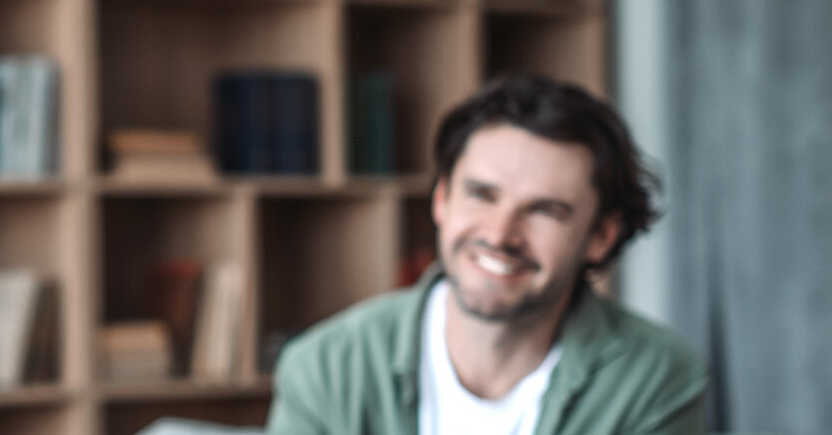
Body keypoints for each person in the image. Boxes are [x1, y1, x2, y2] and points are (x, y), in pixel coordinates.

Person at [267, 74, 707, 434]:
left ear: (600, 236)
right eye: (481, 195)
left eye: (544, 211)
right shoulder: (324, 368)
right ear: (441, 199)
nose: (500, 235)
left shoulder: (657, 379)